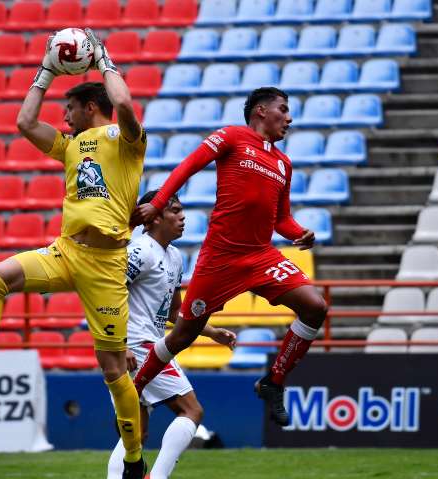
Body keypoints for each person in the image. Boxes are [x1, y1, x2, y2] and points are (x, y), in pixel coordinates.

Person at [0, 29, 147, 479]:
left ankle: (133, 460)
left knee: (113, 369)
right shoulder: (69, 146)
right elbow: (24, 122)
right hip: (66, 252)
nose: (63, 117)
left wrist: (103, 58)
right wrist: (46, 71)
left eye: (70, 108)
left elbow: (125, 104)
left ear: (90, 106)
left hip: (106, 264)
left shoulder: (125, 139)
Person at [131, 87, 328, 427]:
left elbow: (281, 219)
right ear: (261, 111)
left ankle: (273, 382)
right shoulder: (231, 137)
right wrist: (158, 203)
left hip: (261, 256)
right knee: (181, 336)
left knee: (315, 306)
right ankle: (134, 389)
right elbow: (188, 167)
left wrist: (299, 233)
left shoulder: (284, 163)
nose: (289, 117)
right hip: (220, 258)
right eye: (283, 109)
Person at [104, 191, 236, 479]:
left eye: (181, 210)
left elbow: (175, 311)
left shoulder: (174, 257)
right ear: (153, 219)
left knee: (136, 434)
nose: (182, 216)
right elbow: (108, 294)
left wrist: (211, 332)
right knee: (191, 410)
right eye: (174, 211)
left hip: (146, 343)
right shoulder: (139, 251)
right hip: (137, 346)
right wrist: (119, 345)